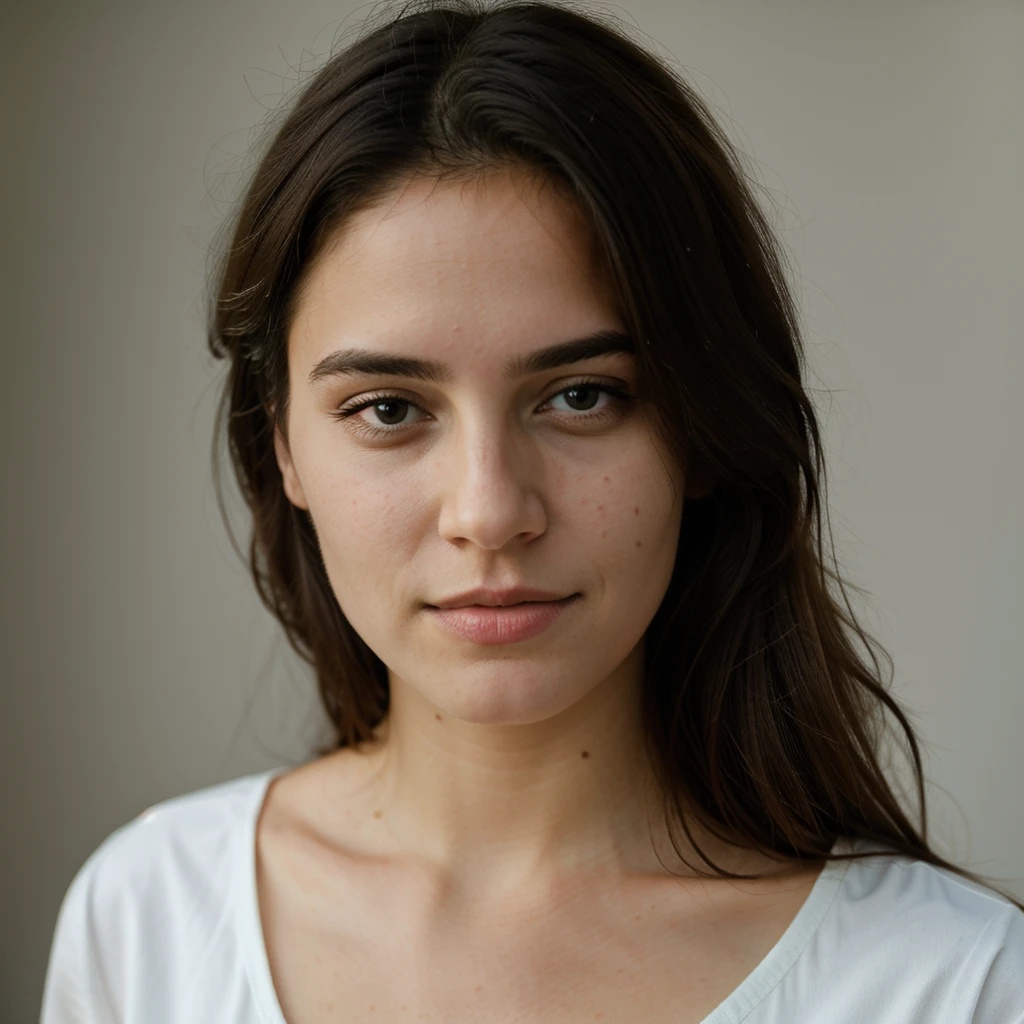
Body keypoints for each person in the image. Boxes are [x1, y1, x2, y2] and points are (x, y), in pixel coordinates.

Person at [40, 1, 1024, 1021]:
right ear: (282, 442)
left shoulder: (947, 983)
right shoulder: (150, 919)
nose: (490, 511)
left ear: (702, 423)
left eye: (580, 395)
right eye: (388, 408)